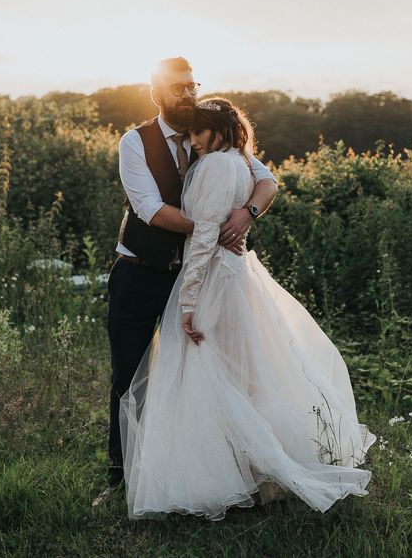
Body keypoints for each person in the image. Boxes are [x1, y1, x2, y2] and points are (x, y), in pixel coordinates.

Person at [118, 97, 376, 520]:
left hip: (213, 281)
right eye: (191, 134)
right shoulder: (237, 159)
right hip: (230, 275)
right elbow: (157, 209)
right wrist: (220, 225)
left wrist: (187, 302)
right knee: (241, 374)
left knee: (209, 374)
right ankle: (254, 473)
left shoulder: (216, 165)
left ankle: (218, 477)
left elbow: (203, 239)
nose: (194, 141)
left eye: (200, 133)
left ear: (217, 131)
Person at [93, 57, 279, 507]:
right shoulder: (135, 142)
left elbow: (267, 182)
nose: (187, 94)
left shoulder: (215, 137)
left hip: (202, 280)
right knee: (128, 376)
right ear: (155, 92)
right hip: (140, 272)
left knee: (198, 376)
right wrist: (213, 226)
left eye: (192, 85)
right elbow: (149, 209)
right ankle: (120, 479)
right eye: (177, 88)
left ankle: (194, 472)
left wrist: (247, 213)